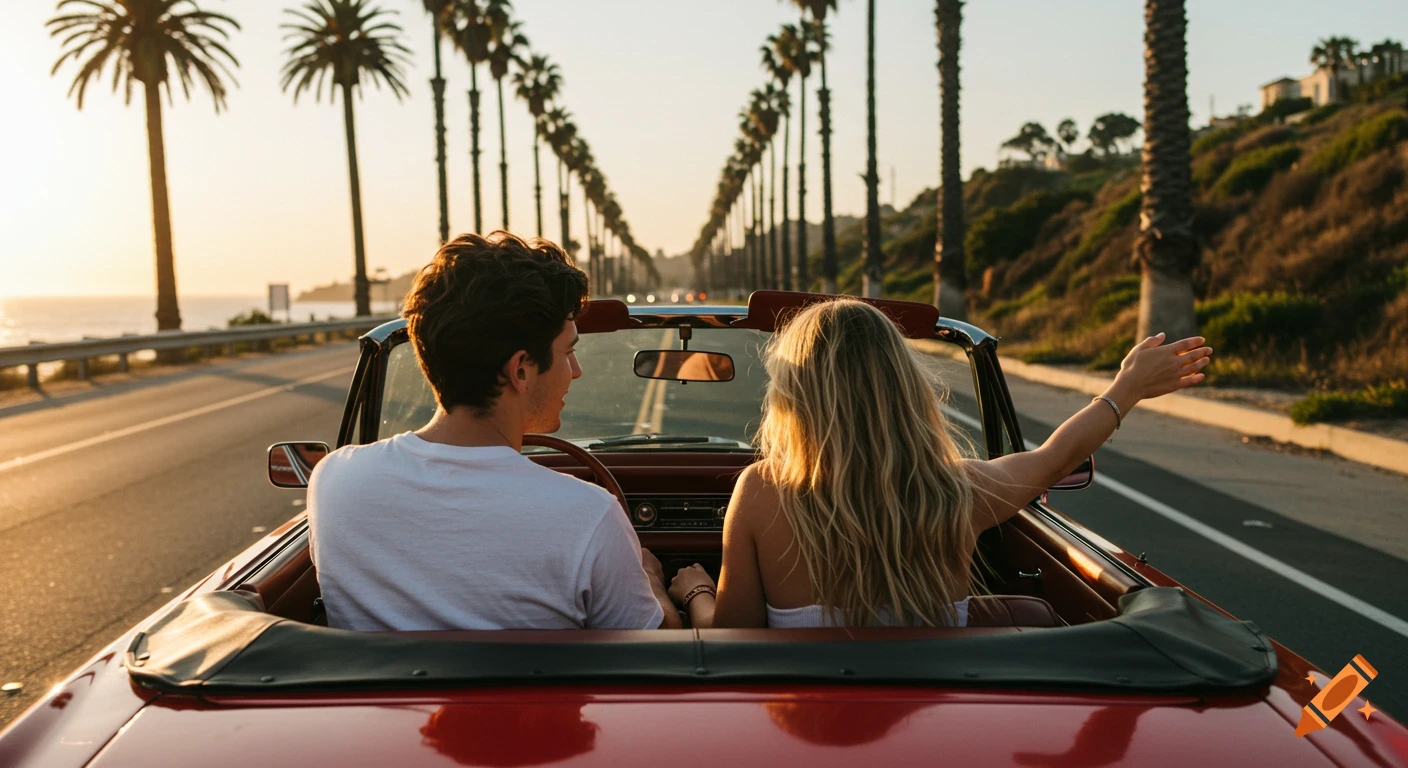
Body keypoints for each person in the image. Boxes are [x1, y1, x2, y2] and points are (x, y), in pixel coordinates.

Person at [668, 298, 1212, 628]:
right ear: (903, 386)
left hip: (810, 727)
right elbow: (1055, 458)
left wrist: (692, 591)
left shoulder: (761, 491)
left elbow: (731, 637)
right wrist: (1126, 389)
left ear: (794, 396)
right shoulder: (955, 489)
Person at [308, 231, 679, 631]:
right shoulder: (588, 517)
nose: (575, 370)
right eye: (568, 352)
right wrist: (654, 581)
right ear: (520, 369)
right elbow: (659, 658)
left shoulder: (334, 481)